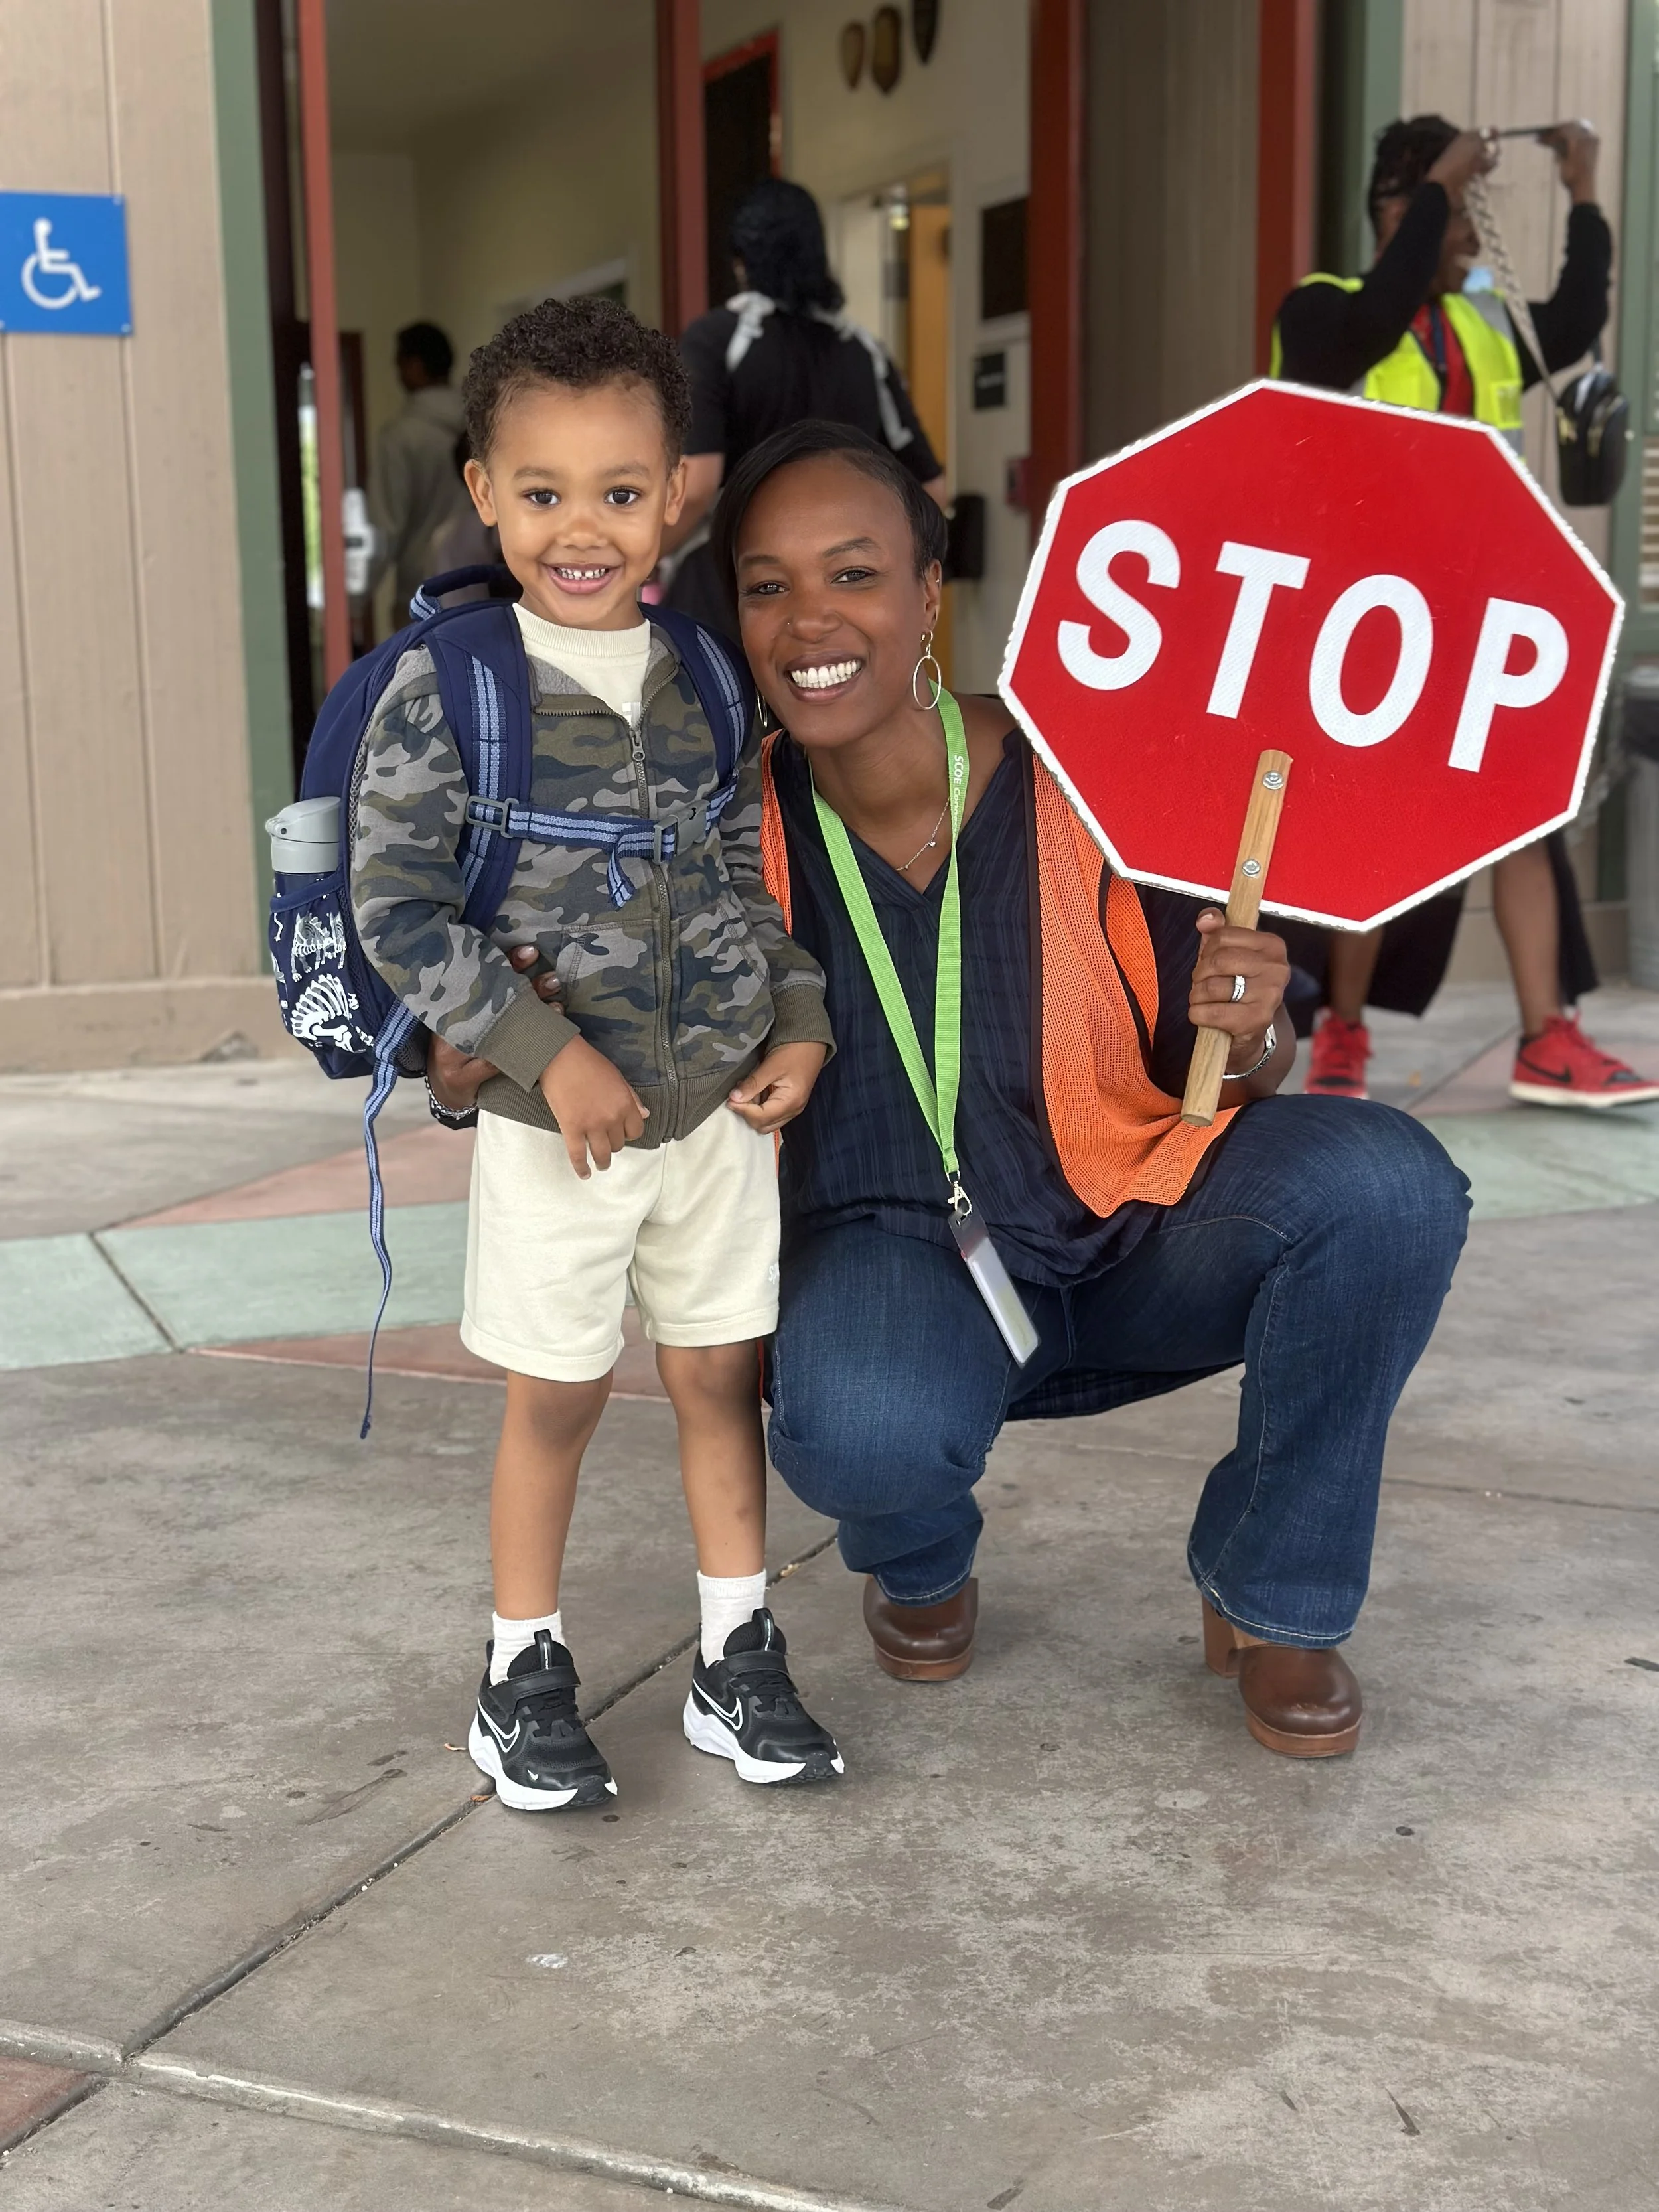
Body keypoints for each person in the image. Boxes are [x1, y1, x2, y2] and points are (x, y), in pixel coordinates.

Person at [460, 420, 1469, 1761]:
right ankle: (921, 1554)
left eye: (853, 573)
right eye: (766, 585)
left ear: (927, 591)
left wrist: (1260, 1022)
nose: (809, 617)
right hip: (891, 1259)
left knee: (1387, 1187)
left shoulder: (1092, 776)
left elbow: (1212, 1059)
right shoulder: (710, 832)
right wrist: (489, 1042)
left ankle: (1273, 1590)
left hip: (1131, 1218)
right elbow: (595, 1018)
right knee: (863, 1424)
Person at [350, 297, 841, 1810]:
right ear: (485, 490)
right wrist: (544, 1054)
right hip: (552, 1132)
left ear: (674, 495)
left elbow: (744, 869)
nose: (585, 529)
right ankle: (519, 1671)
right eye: (546, 492)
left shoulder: (700, 672)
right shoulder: (453, 685)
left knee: (716, 1380)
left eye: (620, 494)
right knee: (554, 1397)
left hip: (713, 1117)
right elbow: (396, 903)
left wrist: (802, 1010)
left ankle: (736, 1651)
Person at [1273, 117, 1659, 1110]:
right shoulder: (1322, 312)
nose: (1474, 242)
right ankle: (1344, 1034)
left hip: (1481, 618)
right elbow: (1375, 317)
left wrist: (1584, 190)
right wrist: (1439, 187)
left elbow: (1573, 319)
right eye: (1454, 221)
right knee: (1372, 839)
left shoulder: (1485, 326)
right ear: (1400, 213)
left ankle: (1548, 1038)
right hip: (1369, 626)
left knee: (1524, 823)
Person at [662, 178, 946, 634]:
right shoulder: (863, 352)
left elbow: (698, 487)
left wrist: (634, 561)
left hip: (734, 584)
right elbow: (930, 489)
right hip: (844, 596)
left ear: (740, 261)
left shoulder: (716, 340)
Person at [368, 321, 476, 622]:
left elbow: (384, 528)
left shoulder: (401, 437)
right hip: (481, 582)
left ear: (414, 366)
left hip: (423, 592)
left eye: (399, 365)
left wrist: (353, 600)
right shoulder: (483, 427)